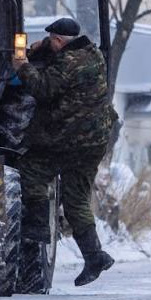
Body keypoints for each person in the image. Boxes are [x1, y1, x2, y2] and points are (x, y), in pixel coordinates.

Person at [12, 17, 119, 286]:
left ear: (59, 41)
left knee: (31, 169)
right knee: (77, 201)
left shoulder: (67, 63)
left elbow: (43, 88)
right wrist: (43, 47)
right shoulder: (92, 54)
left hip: (67, 139)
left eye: (51, 39)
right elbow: (64, 64)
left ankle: (37, 228)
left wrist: (22, 66)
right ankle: (94, 256)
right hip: (94, 143)